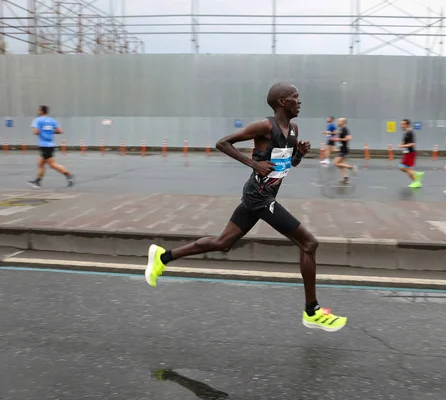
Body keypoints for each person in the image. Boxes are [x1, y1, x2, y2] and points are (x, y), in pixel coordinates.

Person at [144, 83, 347, 333]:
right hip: (260, 197)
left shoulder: (293, 130)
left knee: (223, 243)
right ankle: (312, 311)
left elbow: (286, 164)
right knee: (309, 244)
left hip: (259, 195)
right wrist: (253, 164)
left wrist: (300, 155)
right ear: (282, 102)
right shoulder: (264, 127)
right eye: (295, 97)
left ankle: (163, 257)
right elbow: (223, 143)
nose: (300, 101)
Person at [27, 105, 74, 188]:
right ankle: (37, 181)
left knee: (52, 165)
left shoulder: (37, 120)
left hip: (44, 145)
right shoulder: (52, 120)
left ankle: (68, 175)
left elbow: (36, 132)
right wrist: (49, 131)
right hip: (50, 145)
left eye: (38, 110)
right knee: (40, 164)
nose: (37, 112)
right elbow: (59, 131)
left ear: (41, 111)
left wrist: (41, 131)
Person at [398, 119, 424, 188]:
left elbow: (412, 143)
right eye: (401, 124)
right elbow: (405, 142)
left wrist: (403, 145)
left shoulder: (410, 133)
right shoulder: (406, 133)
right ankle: (416, 182)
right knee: (408, 169)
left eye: (403, 124)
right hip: (407, 153)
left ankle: (417, 174)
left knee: (402, 167)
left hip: (410, 153)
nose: (401, 126)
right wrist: (402, 144)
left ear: (407, 125)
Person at [332, 118, 357, 184]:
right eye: (338, 121)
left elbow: (349, 138)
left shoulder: (345, 129)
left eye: (339, 121)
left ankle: (351, 167)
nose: (338, 122)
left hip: (344, 149)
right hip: (342, 148)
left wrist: (338, 139)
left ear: (343, 122)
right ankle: (345, 178)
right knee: (340, 165)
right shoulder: (341, 129)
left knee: (335, 163)